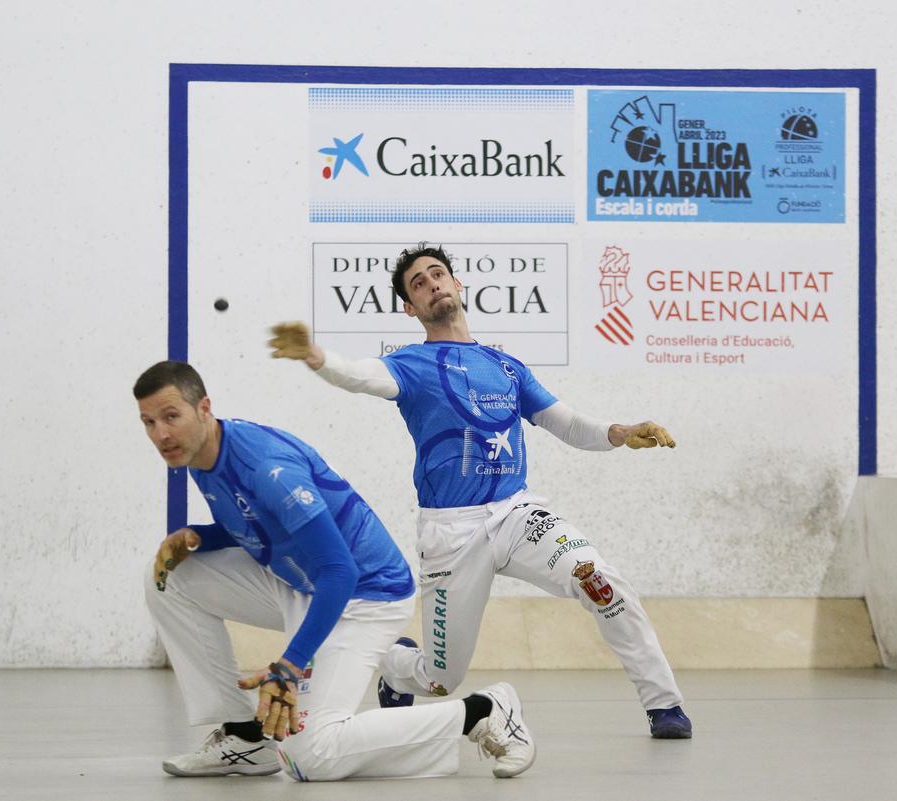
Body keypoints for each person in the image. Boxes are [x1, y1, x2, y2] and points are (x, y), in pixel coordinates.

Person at [268, 244, 692, 739]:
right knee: (440, 679)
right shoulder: (409, 364)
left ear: (458, 284)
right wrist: (316, 357)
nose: (432, 284)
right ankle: (397, 664)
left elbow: (569, 425)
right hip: (451, 533)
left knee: (601, 581)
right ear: (410, 308)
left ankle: (664, 706)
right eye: (419, 284)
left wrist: (620, 432)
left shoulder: (506, 366)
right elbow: (360, 376)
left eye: (438, 274)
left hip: (518, 514)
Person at [133, 360, 536, 781]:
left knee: (310, 755)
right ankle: (245, 737)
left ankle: (480, 712)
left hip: (363, 594)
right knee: (169, 579)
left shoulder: (267, 468)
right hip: (298, 580)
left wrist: (289, 666)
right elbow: (261, 524)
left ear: (204, 408)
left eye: (171, 417)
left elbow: (340, 571)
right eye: (149, 422)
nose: (161, 435)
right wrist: (199, 538)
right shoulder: (203, 454)